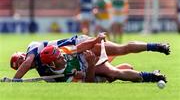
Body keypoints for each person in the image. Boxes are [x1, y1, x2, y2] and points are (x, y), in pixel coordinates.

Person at [8, 33, 170, 82]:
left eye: (21, 58)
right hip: (86, 64)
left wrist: (96, 39)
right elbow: (88, 83)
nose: (23, 62)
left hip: (79, 44)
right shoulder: (47, 75)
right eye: (20, 64)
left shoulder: (33, 48)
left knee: (121, 49)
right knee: (112, 74)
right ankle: (152, 76)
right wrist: (90, 66)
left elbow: (77, 48)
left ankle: (157, 46)